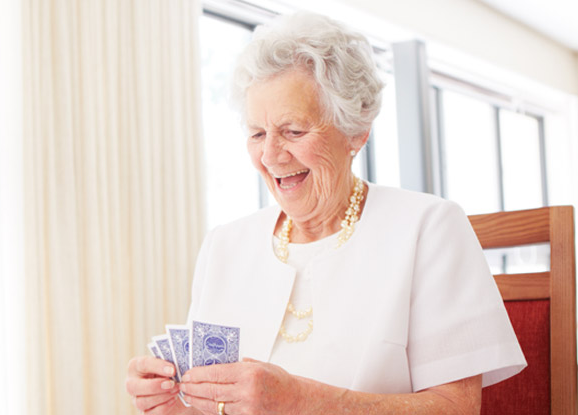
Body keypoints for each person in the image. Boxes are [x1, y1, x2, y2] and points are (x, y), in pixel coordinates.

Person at [126, 12, 525, 415]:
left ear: (356, 131)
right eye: (257, 133)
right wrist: (174, 406)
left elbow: (455, 408)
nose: (270, 156)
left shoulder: (428, 229)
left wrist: (302, 402)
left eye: (294, 131)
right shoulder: (223, 246)